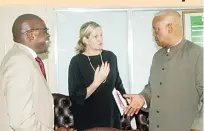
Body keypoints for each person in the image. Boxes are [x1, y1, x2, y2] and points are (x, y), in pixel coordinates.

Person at [123, 9, 203, 131]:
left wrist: (198, 128)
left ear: (170, 28)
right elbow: (152, 87)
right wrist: (142, 98)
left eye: (156, 29)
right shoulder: (158, 56)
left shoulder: (197, 54)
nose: (154, 34)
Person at [0, 14, 70, 131]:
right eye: (45, 31)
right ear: (31, 34)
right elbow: (22, 122)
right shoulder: (19, 61)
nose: (48, 35)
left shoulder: (24, 58)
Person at [68, 21, 126, 130]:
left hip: (111, 117)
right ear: (85, 40)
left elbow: (118, 85)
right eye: (95, 36)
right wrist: (96, 82)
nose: (100, 39)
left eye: (101, 35)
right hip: (88, 118)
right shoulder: (76, 62)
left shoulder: (110, 56)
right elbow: (76, 96)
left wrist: (126, 104)